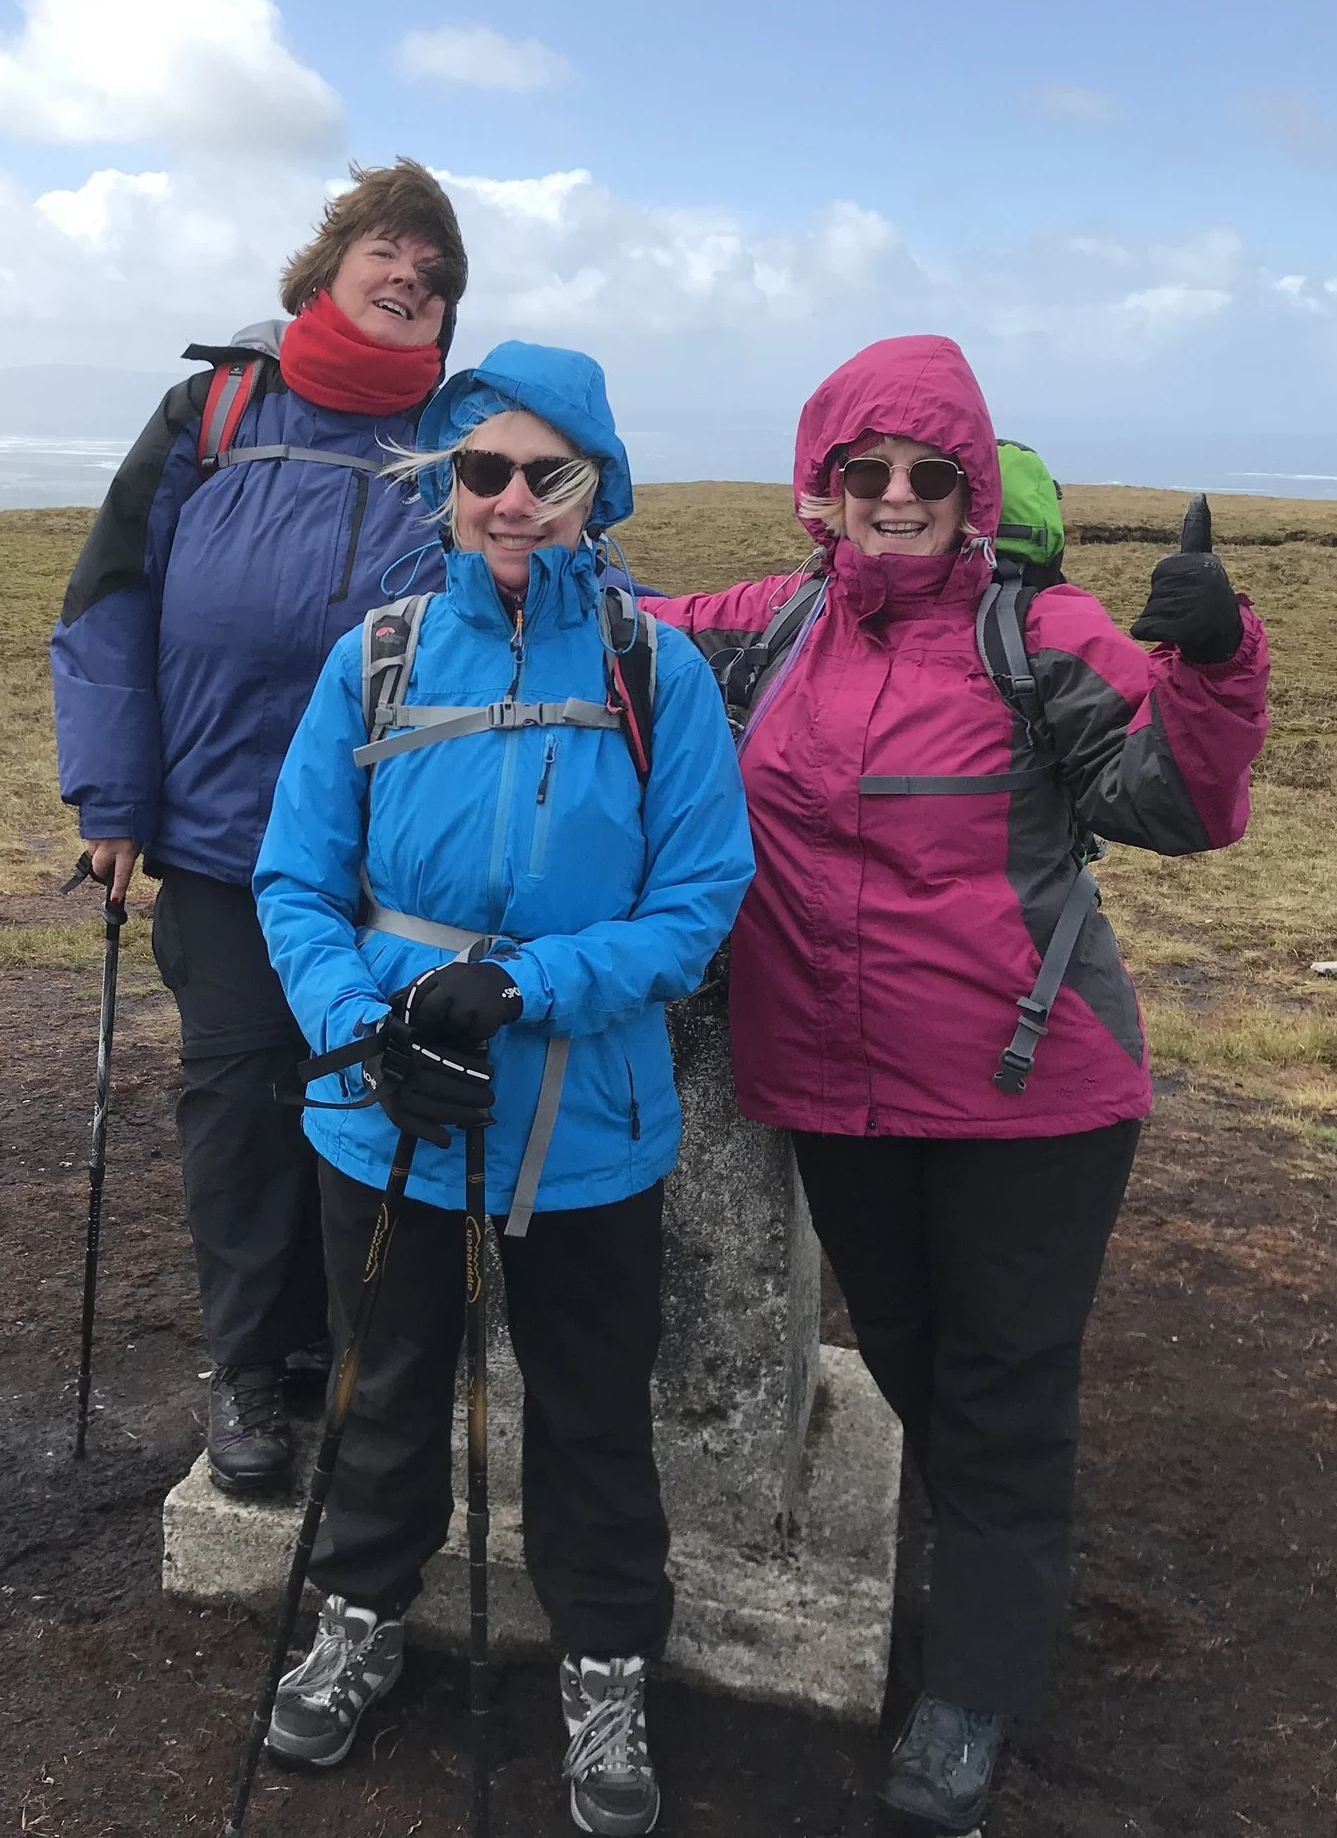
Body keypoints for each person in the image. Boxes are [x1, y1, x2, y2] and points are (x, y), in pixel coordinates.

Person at [653, 335, 1270, 1837]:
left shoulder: (1040, 630)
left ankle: (974, 1686)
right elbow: (620, 625)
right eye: (867, 469)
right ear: (822, 485)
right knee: (915, 1359)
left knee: (999, 1386)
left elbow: (1179, 802)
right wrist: (496, 516)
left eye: (933, 471)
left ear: (973, 488)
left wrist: (1215, 664)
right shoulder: (772, 625)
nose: (899, 494)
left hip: (1032, 1098)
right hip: (838, 1092)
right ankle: (1002, 1552)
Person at [250, 342, 753, 1837]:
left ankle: (606, 1667)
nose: (513, 499)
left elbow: (698, 902)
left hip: (586, 1117)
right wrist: (369, 1025)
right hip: (386, 1105)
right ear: (446, 482)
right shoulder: (377, 656)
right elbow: (295, 881)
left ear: (599, 488)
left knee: (593, 1406)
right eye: (483, 470)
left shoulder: (657, 672)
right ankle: (360, 1616)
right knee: (384, 1376)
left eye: (548, 473)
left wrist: (527, 987)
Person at [50, 161, 469, 1493]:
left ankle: (354, 1353)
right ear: (325, 272)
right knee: (240, 1099)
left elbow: (545, 562)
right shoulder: (217, 408)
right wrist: (113, 796)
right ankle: (249, 1363)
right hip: (224, 835)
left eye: (435, 273)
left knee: (363, 1086)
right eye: (387, 254)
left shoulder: (461, 433)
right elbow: (111, 597)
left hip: (391, 847)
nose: (409, 279)